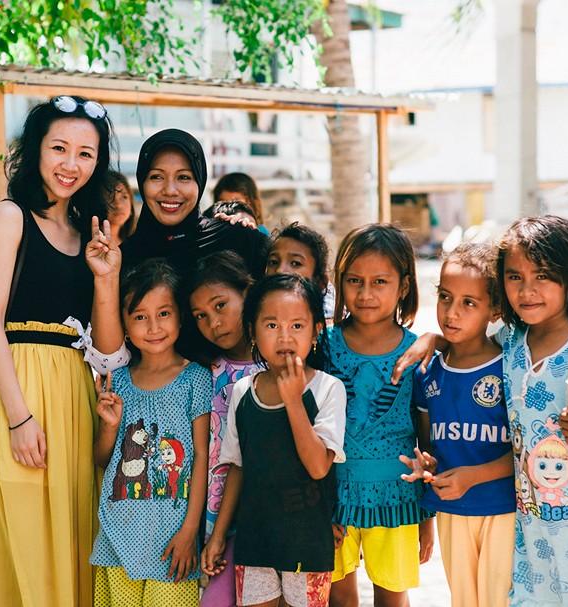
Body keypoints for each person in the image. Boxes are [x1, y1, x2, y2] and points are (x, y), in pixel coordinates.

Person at [410, 215, 568, 606]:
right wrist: (433, 339)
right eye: (515, 277)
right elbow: (469, 342)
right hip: (531, 526)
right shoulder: (511, 341)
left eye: (543, 276)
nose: (527, 290)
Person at [0, 95, 112, 606]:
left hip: (74, 399)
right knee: (26, 555)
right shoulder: (10, 216)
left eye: (85, 154)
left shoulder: (87, 231)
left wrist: (105, 275)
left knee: (74, 548)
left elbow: (103, 336)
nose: (70, 164)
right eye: (59, 148)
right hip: (21, 396)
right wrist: (18, 417)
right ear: (35, 151)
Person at [201, 274, 346, 607]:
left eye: (297, 325)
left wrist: (294, 401)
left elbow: (318, 466)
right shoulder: (242, 392)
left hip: (307, 541)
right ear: (253, 330)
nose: (284, 336)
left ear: (315, 331)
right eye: (271, 325)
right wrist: (219, 536)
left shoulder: (327, 389)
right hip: (256, 539)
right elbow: (237, 468)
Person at [86, 129, 270, 357]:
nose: (170, 190)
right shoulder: (123, 258)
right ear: (142, 182)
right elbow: (107, 356)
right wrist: (106, 279)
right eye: (156, 177)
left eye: (183, 177)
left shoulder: (239, 240)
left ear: (199, 181)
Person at [91, 258, 211, 607]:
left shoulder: (196, 379)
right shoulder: (119, 382)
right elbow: (102, 460)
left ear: (180, 316)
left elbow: (202, 456)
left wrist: (190, 531)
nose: (153, 326)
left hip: (172, 542)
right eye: (140, 316)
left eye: (164, 313)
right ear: (125, 325)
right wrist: (110, 426)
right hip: (117, 534)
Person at [325, 224, 434, 607]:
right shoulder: (324, 345)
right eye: (354, 280)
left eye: (380, 281)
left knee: (392, 596)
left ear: (403, 286)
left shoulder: (417, 351)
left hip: (398, 494)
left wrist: (428, 516)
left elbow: (426, 439)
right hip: (335, 496)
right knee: (339, 597)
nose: (365, 293)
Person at [401, 243, 515, 607]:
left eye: (469, 303)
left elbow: (529, 452)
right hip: (453, 508)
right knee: (463, 599)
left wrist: (475, 475)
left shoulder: (509, 368)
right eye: (446, 298)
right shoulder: (426, 371)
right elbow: (429, 443)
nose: (452, 313)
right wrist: (428, 465)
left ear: (494, 309)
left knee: (498, 599)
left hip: (503, 508)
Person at [184, 251, 263, 607]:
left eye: (220, 306)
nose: (213, 323)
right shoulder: (205, 372)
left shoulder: (276, 369)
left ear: (248, 293)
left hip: (270, 517)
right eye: (201, 315)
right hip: (218, 522)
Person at [265, 222, 335, 322]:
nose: (279, 270)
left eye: (295, 263)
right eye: (273, 262)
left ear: (320, 282)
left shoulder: (331, 331)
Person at [104, 169, 136, 247]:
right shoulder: (87, 245)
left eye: (124, 197)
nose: (118, 205)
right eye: (110, 197)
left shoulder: (134, 245)